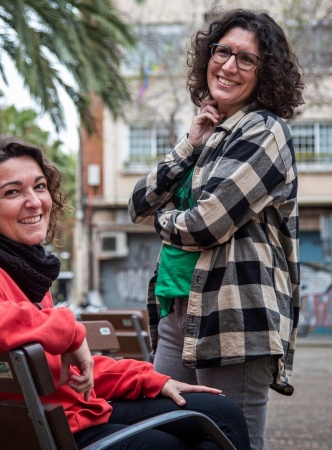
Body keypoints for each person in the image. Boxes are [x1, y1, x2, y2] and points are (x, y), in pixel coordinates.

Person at [0, 135, 250, 450]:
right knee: (192, 435)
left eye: (39, 186)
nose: (34, 201)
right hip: (46, 430)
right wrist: (66, 330)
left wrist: (149, 379)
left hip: (57, 415)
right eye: (12, 192)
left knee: (220, 412)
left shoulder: (17, 269)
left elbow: (65, 372)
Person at [128, 9, 304, 450]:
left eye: (247, 59)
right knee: (171, 436)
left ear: (267, 74)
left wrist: (163, 222)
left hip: (232, 314)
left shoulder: (266, 131)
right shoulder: (211, 135)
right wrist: (190, 144)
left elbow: (207, 223)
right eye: (222, 51)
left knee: (229, 441)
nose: (228, 66)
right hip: (176, 310)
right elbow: (137, 202)